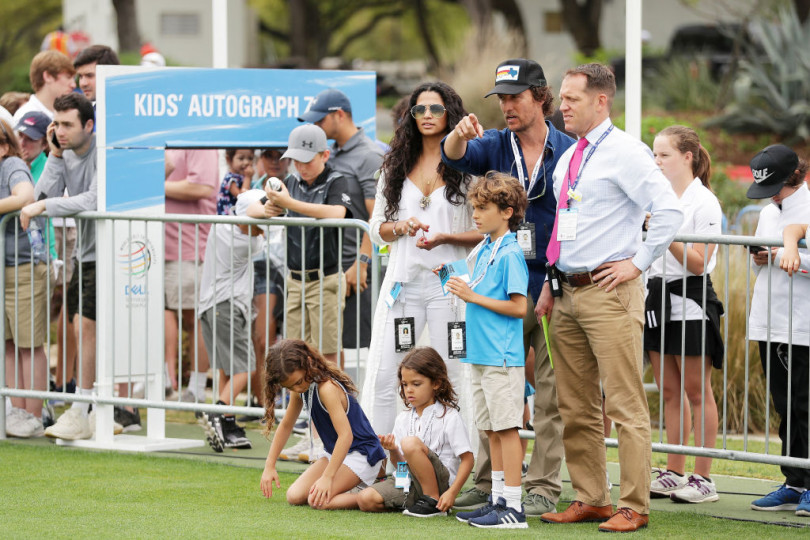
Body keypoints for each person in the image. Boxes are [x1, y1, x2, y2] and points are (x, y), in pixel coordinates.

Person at [536, 63, 682, 533]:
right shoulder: (569, 157)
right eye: (562, 97)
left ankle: (634, 505)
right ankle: (591, 498)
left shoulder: (627, 153)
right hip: (566, 291)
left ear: (601, 101)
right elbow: (563, 224)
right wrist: (549, 283)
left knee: (623, 404)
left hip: (610, 292)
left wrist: (636, 264)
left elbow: (669, 210)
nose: (562, 106)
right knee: (575, 405)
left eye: (572, 99)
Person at [442, 58, 574, 516]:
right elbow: (454, 156)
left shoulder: (568, 149)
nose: (507, 106)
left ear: (541, 96)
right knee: (492, 386)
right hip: (504, 284)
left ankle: (542, 487)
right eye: (501, 98)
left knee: (551, 395)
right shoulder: (496, 143)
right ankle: (490, 485)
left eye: (515, 97)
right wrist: (458, 133)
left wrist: (555, 280)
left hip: (553, 284)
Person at [361, 82, 479, 438]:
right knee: (385, 372)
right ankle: (378, 457)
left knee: (453, 374)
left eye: (436, 109)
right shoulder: (395, 167)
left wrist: (446, 237)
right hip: (403, 286)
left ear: (450, 114)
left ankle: (455, 458)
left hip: (451, 287)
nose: (427, 115)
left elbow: (485, 231)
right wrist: (400, 226)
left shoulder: (468, 167)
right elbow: (376, 229)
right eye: (419, 110)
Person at [445, 172, 529, 529]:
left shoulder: (510, 253)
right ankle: (497, 499)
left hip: (501, 357)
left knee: (507, 429)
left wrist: (472, 297)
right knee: (491, 430)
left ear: (507, 212)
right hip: (480, 353)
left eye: (483, 209)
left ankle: (514, 507)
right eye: (474, 208)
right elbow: (476, 287)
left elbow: (519, 307)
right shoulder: (485, 249)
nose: (475, 215)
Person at [645, 126, 724, 504]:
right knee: (670, 391)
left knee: (696, 390)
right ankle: (674, 471)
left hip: (692, 303)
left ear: (687, 157)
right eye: (655, 155)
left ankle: (703, 478)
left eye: (664, 155)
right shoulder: (657, 197)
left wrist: (666, 233)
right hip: (658, 301)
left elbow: (699, 263)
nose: (657, 161)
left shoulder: (704, 202)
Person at [248, 124, 363, 367]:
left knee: (327, 355)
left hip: (325, 280)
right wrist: (267, 209)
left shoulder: (336, 181)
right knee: (293, 353)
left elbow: (337, 212)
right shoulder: (290, 182)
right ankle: (303, 394)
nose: (301, 167)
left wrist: (289, 204)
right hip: (294, 280)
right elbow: (251, 209)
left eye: (307, 160)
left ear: (325, 155)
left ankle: (332, 393)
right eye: (295, 160)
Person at [19, 93, 99, 440]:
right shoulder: (62, 152)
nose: (60, 131)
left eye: (68, 125)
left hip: (114, 254)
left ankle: (83, 409)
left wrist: (44, 207)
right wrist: (53, 154)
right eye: (57, 124)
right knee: (82, 327)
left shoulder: (102, 151)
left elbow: (94, 199)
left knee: (86, 327)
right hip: (85, 253)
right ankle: (90, 408)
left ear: (89, 125)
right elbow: (40, 195)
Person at [745, 145, 810, 517]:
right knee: (785, 406)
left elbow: (796, 259)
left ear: (794, 177)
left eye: (775, 187)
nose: (771, 196)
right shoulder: (768, 212)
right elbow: (760, 266)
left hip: (803, 325)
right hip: (768, 322)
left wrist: (791, 257)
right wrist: (760, 258)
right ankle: (794, 482)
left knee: (806, 405)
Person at [299, 88, 384, 355]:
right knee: (327, 348)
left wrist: (362, 262)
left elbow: (377, 214)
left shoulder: (369, 155)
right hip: (327, 267)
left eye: (320, 120)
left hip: (355, 268)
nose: (315, 126)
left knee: (359, 351)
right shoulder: (329, 154)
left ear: (339, 115)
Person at [260, 339, 386, 510]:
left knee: (318, 501)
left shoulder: (327, 388)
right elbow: (286, 425)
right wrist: (269, 465)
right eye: (289, 387)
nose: (297, 389)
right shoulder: (300, 389)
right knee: (294, 496)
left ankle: (373, 496)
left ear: (308, 363)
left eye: (298, 382)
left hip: (362, 453)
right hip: (334, 453)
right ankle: (355, 487)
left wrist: (327, 477)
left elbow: (346, 436)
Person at [357, 347, 474, 517]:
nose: (409, 390)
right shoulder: (402, 418)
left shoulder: (450, 416)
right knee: (364, 499)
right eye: (405, 384)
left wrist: (452, 493)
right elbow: (401, 465)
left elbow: (468, 460)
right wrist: (393, 450)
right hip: (410, 481)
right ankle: (417, 504)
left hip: (441, 484)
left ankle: (433, 500)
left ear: (436, 383)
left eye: (416, 384)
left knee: (409, 442)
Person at [198, 189, 266, 451]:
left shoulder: (220, 227)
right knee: (246, 367)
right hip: (227, 307)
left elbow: (244, 211)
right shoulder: (250, 244)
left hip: (211, 307)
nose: (263, 226)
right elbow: (256, 223)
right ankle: (217, 412)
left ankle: (226, 423)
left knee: (228, 369)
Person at [0, 119, 49, 438]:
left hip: (25, 267)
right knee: (8, 344)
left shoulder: (13, 165)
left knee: (29, 344)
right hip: (4, 269)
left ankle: (33, 414)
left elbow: (25, 195)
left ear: (4, 146)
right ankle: (17, 412)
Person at [164, 149, 219, 402]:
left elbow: (202, 187)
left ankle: (196, 389)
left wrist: (153, 187)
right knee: (162, 314)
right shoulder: (164, 139)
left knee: (196, 318)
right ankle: (164, 382)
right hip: (158, 248)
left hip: (191, 248)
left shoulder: (198, 140)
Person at [13, 50, 76, 124]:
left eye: (74, 78)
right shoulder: (24, 117)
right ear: (48, 76)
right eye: (68, 77)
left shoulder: (73, 114)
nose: (73, 85)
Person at [216, 148, 253, 215]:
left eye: (250, 158)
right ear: (229, 160)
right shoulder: (230, 178)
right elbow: (242, 198)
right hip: (227, 218)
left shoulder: (241, 177)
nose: (246, 162)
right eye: (241, 158)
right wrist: (248, 178)